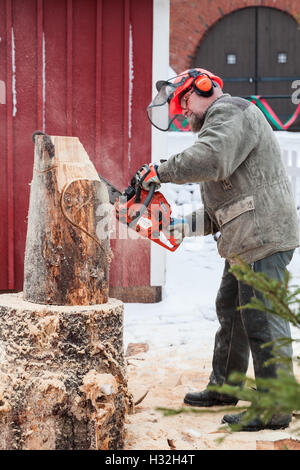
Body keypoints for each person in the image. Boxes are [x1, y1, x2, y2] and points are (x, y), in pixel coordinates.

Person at [137, 68, 299, 431]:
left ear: (203, 89)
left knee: (263, 321)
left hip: (262, 235)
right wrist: (176, 226)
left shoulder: (230, 113)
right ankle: (226, 386)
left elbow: (210, 160)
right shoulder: (219, 131)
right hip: (246, 235)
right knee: (231, 308)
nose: (182, 113)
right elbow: (219, 212)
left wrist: (159, 172)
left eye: (184, 104)